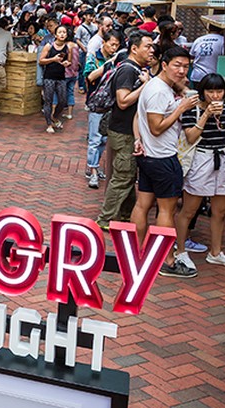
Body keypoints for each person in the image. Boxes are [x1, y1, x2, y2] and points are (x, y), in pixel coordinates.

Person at [171, 73, 225, 275]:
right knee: (189, 210)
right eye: (210, 91)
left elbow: (224, 139)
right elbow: (191, 137)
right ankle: (181, 250)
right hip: (201, 160)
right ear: (202, 92)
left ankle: (216, 252)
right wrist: (206, 114)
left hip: (222, 160)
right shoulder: (191, 109)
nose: (215, 95)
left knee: (220, 211)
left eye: (219, 91)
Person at [130, 47, 199, 278]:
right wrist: (181, 108)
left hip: (149, 158)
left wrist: (139, 140)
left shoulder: (155, 86)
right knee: (166, 211)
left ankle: (136, 252)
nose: (181, 70)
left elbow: (139, 118)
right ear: (164, 64)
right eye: (177, 65)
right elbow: (156, 127)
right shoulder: (160, 91)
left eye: (186, 66)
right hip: (163, 158)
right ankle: (166, 261)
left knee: (142, 205)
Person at [95, 33, 153, 229]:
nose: (151, 50)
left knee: (127, 175)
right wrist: (146, 85)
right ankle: (105, 219)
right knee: (123, 176)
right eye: (148, 46)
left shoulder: (134, 68)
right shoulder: (128, 70)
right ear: (134, 49)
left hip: (125, 131)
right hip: (124, 131)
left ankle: (127, 215)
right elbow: (123, 101)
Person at [84, 31, 123, 190]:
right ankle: (92, 170)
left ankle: (96, 166)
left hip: (111, 105)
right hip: (97, 104)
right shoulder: (94, 57)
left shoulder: (119, 61)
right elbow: (89, 77)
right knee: (95, 138)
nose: (114, 48)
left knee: (104, 140)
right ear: (104, 43)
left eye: (117, 45)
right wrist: (109, 65)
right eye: (112, 44)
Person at [38, 25, 72, 133]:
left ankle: (54, 117)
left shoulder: (68, 48)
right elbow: (41, 60)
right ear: (56, 35)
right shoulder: (49, 46)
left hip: (61, 77)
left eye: (64, 32)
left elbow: (69, 61)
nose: (62, 34)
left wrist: (67, 63)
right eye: (60, 32)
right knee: (48, 101)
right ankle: (49, 123)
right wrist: (53, 59)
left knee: (62, 100)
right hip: (49, 76)